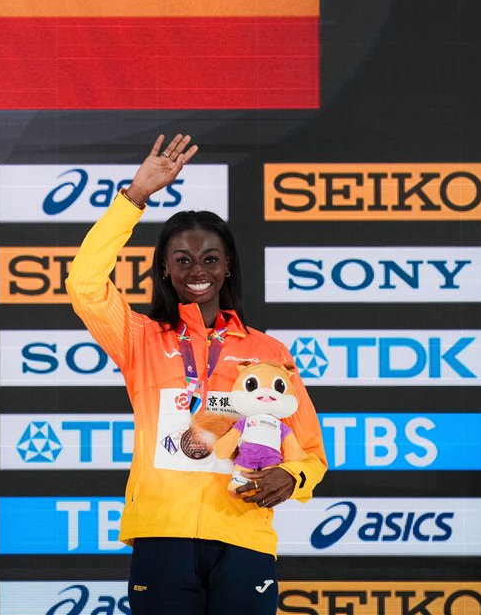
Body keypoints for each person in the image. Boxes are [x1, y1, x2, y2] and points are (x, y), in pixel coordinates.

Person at [65, 134, 327, 615]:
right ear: (165, 270)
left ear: (228, 267)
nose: (197, 270)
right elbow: (83, 284)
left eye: (210, 259)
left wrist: (291, 478)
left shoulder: (269, 351)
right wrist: (134, 197)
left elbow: (310, 451)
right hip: (162, 535)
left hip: (243, 532)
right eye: (182, 260)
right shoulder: (139, 338)